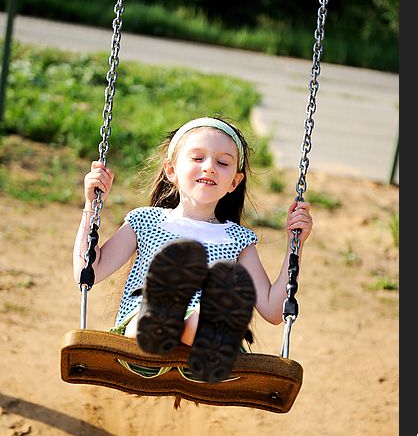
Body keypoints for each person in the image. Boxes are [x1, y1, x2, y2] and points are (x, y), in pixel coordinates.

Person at [73, 116, 312, 384]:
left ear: (234, 182)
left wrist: (296, 245)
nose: (209, 167)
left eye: (222, 163)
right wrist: (91, 205)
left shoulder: (237, 239)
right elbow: (87, 271)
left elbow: (272, 309)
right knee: (152, 313)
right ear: (171, 171)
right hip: (140, 349)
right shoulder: (145, 221)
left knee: (205, 315)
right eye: (198, 158)